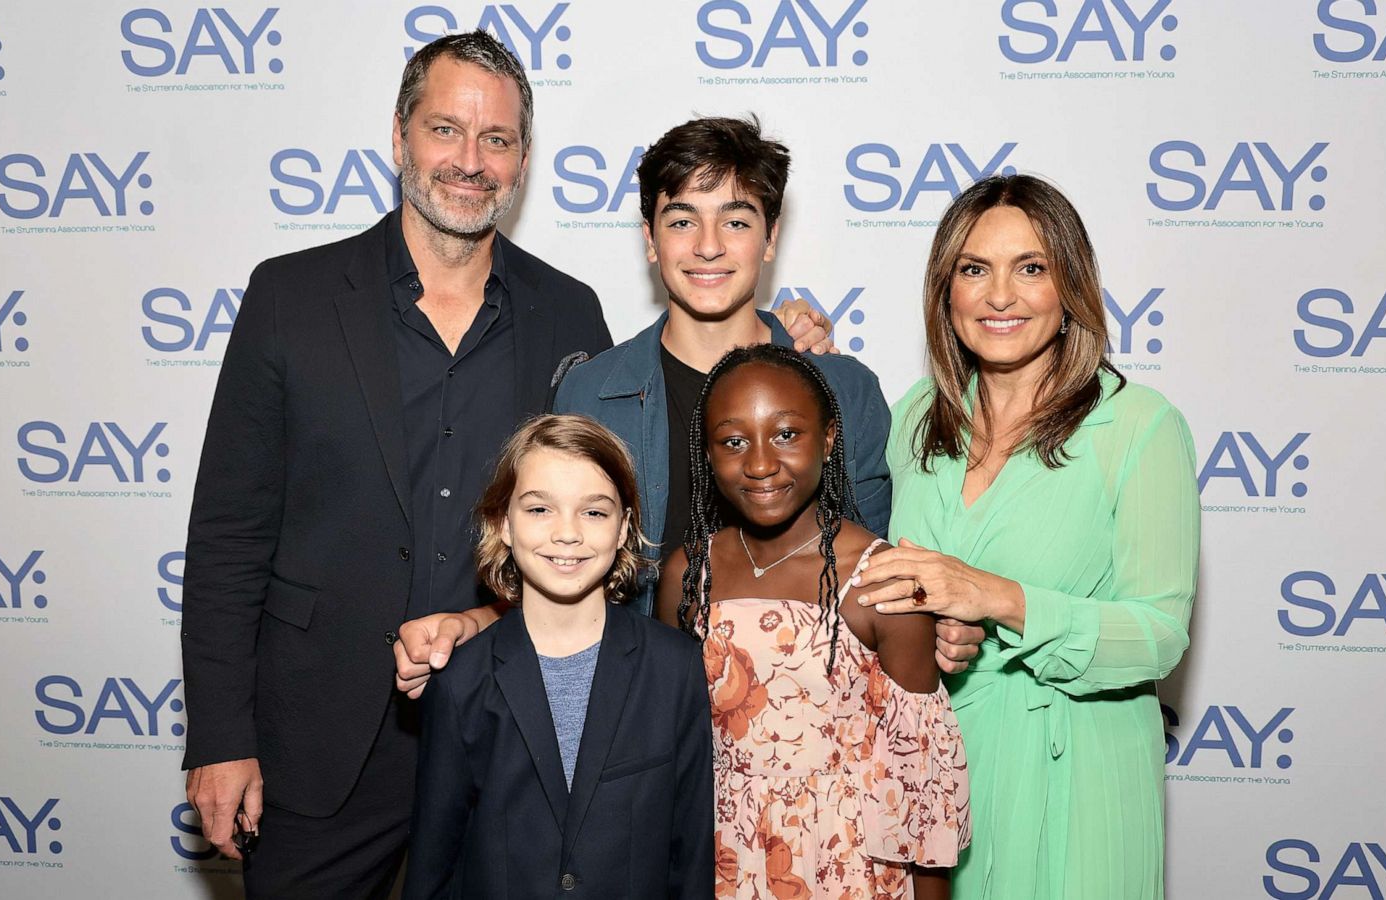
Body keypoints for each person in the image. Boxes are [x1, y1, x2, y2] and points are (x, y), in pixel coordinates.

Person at [182, 30, 829, 896]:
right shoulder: (289, 297)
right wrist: (222, 736)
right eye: (446, 130)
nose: (470, 161)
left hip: (517, 740)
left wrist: (782, 350)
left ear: (523, 159)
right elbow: (228, 535)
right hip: (322, 742)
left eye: (498, 140)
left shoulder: (569, 315)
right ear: (400, 135)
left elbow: (626, 500)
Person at [394, 116, 968, 696]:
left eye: (736, 221)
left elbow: (881, 581)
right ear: (650, 239)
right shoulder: (591, 392)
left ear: (770, 239)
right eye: (682, 220)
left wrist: (942, 622)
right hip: (633, 720)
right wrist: (476, 621)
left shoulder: (843, 390)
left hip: (811, 733)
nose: (708, 246)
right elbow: (558, 579)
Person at [854, 174, 1201, 900]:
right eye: (974, 269)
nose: (1000, 296)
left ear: (1069, 286)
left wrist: (995, 598)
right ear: (945, 292)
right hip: (942, 769)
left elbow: (1160, 635)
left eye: (1031, 268)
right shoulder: (918, 414)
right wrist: (937, 631)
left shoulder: (1141, 428)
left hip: (1078, 776)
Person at [656, 344, 970, 900]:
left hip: (847, 864)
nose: (759, 463)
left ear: (827, 440)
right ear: (707, 453)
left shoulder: (882, 581)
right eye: (733, 441)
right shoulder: (687, 574)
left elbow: (921, 786)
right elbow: (669, 753)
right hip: (719, 859)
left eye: (785, 434)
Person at [405, 415, 712, 899]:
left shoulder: (675, 668)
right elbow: (435, 862)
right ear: (502, 523)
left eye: (594, 512)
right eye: (540, 509)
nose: (567, 533)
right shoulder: (461, 680)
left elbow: (691, 852)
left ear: (623, 527)